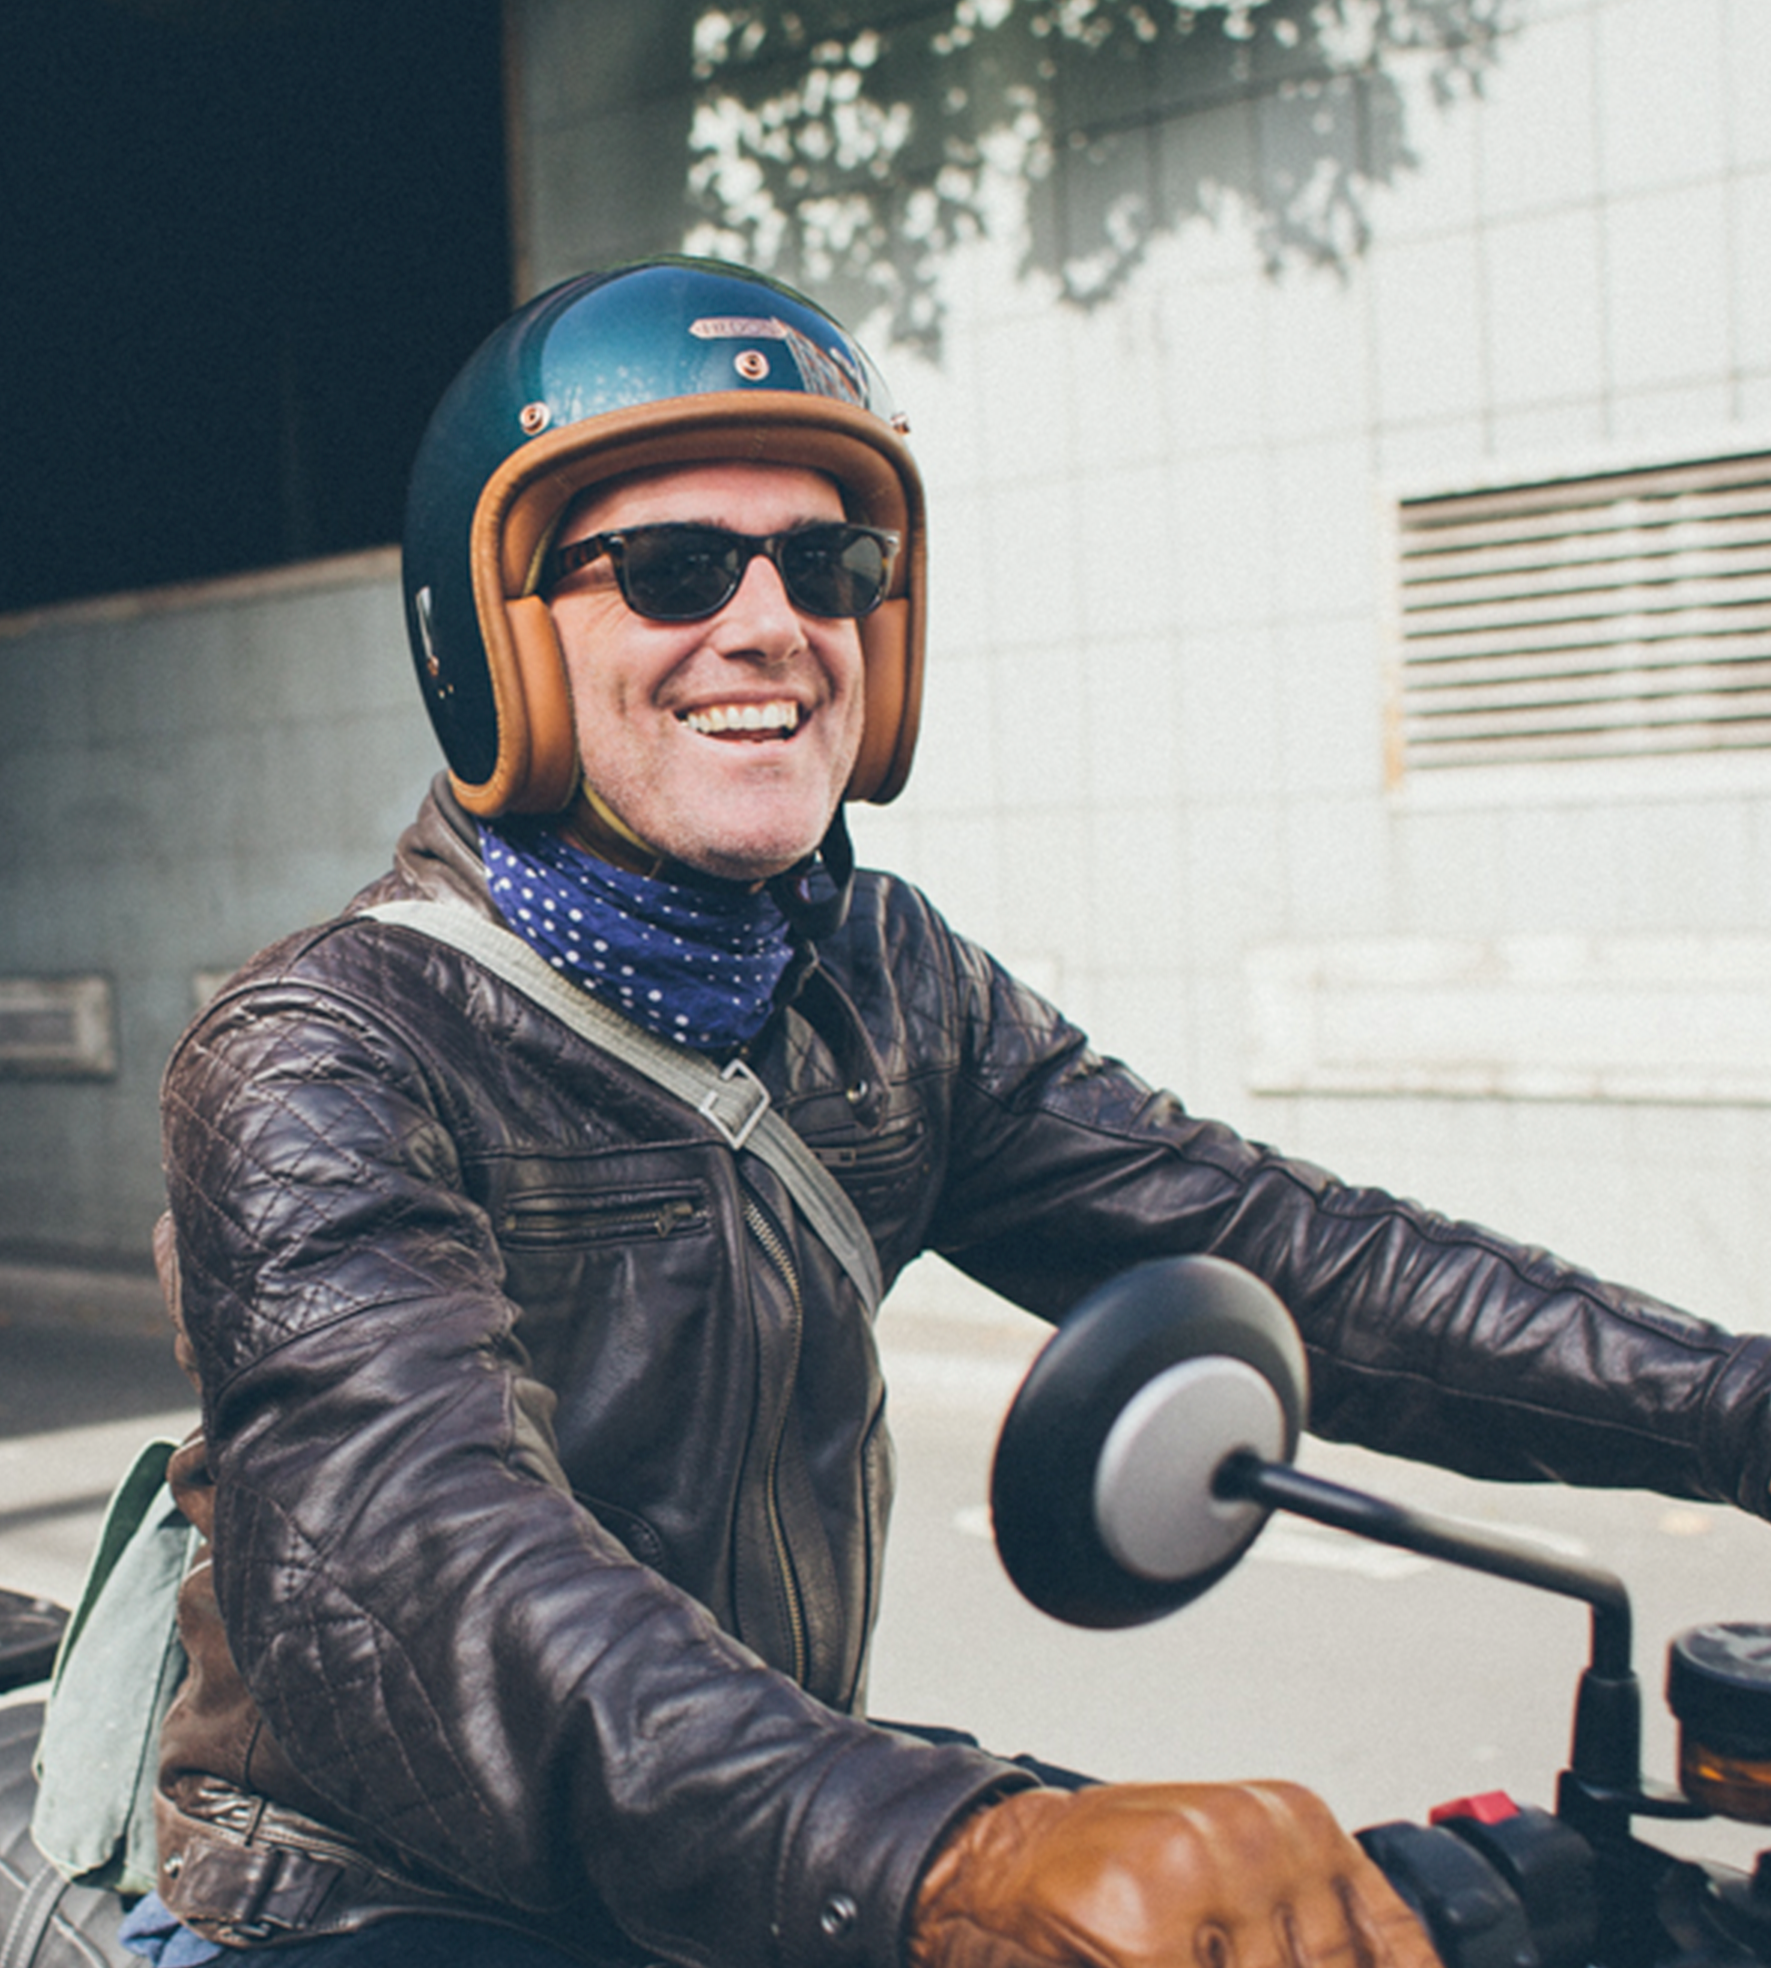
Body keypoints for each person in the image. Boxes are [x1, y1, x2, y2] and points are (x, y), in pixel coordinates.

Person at [142, 257, 1771, 1968]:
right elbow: (426, 1556)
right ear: (494, 637)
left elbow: (1294, 1256)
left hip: (770, 1827)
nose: (771, 625)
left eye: (830, 565)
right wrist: (955, 1848)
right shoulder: (324, 1050)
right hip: (385, 1887)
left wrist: (1735, 1408)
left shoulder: (889, 986)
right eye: (677, 567)